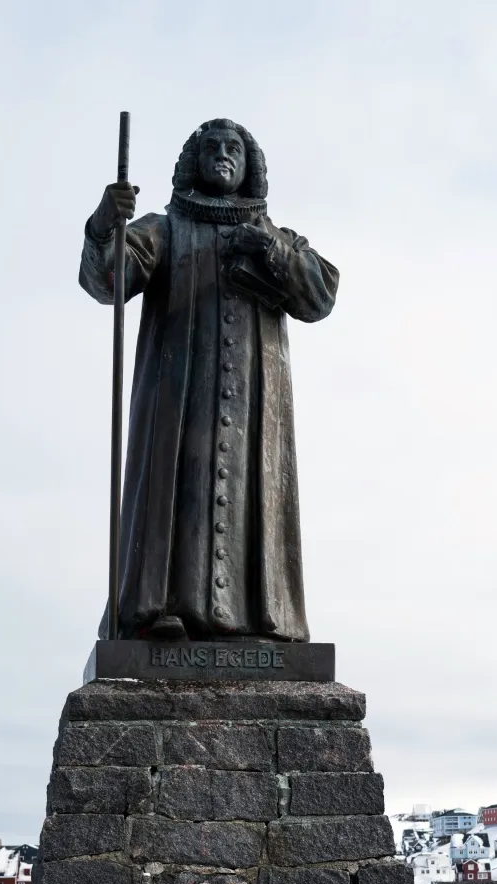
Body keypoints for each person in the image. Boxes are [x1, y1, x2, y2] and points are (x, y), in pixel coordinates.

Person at [81, 119, 338, 642]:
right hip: (179, 402)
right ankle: (162, 610)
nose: (223, 154)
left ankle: (259, 620)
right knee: (179, 492)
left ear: (250, 166)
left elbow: (321, 297)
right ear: (193, 161)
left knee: (250, 499)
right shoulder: (165, 229)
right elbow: (108, 280)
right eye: (212, 147)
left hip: (253, 411)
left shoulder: (275, 238)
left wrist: (269, 248)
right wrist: (103, 226)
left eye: (233, 148)